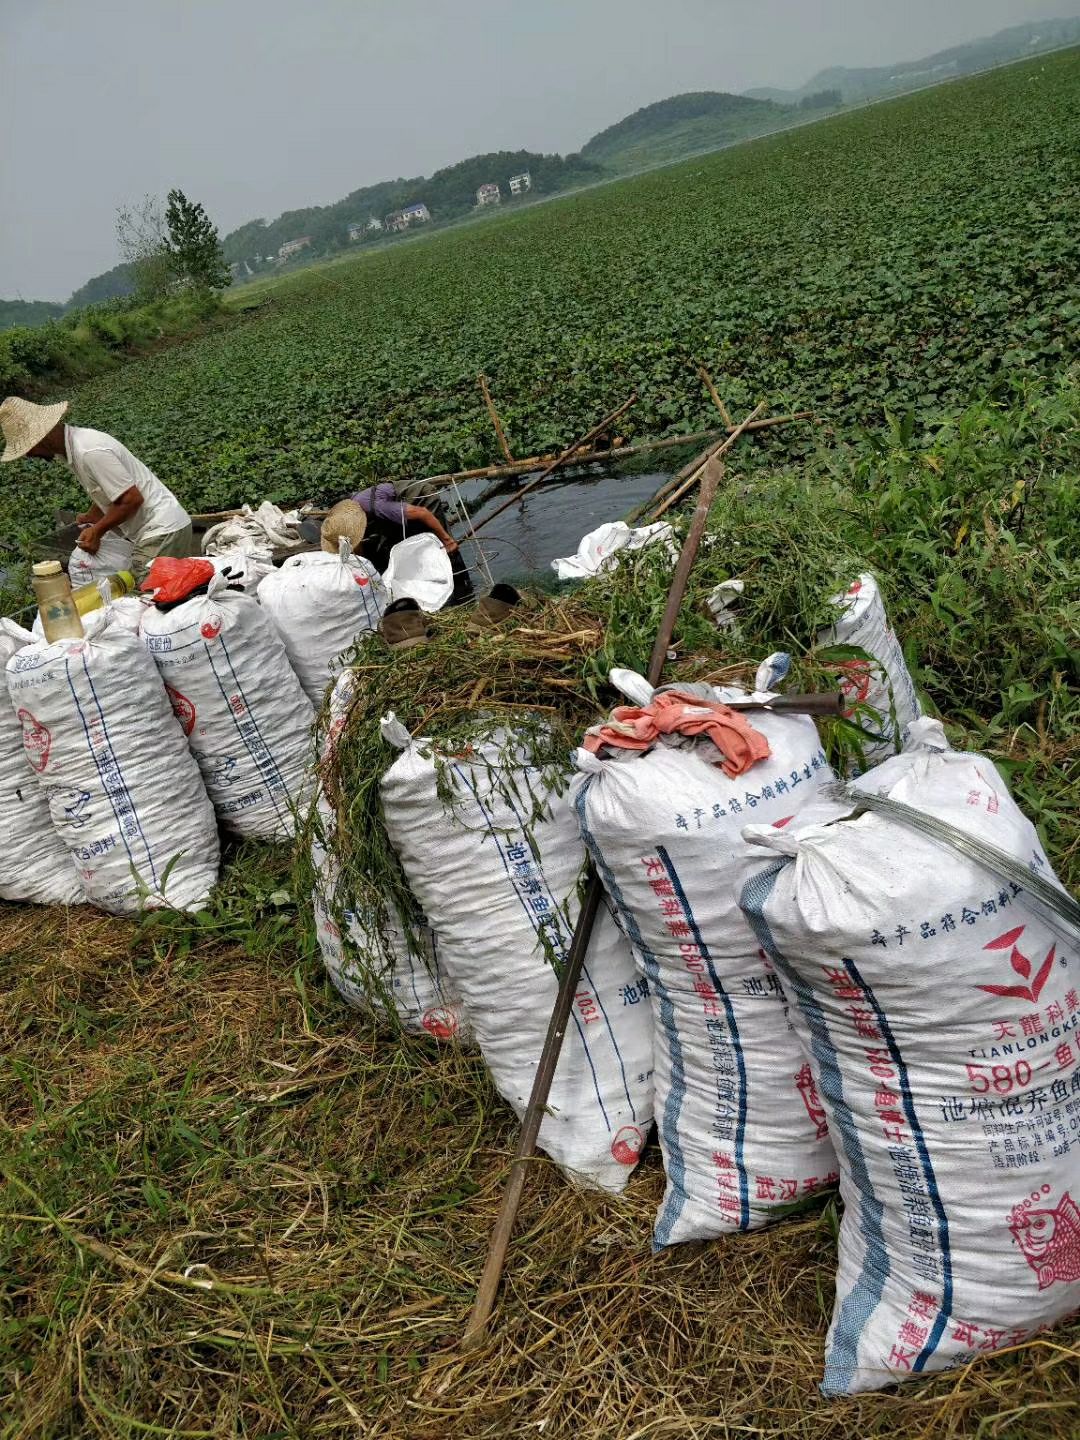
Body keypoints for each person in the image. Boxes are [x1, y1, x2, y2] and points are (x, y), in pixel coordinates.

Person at [0, 397, 193, 576]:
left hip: (161, 531)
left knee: (144, 599)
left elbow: (132, 499)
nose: (29, 455)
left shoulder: (89, 451)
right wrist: (95, 514)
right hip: (158, 530)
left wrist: (97, 530)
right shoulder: (72, 450)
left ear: (43, 438)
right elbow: (110, 491)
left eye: (28, 448)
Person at [350, 480, 473, 604]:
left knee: (441, 549)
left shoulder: (378, 508)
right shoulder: (351, 514)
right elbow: (358, 548)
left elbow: (422, 513)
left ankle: (463, 592)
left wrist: (447, 541)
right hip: (396, 508)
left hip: (421, 500)